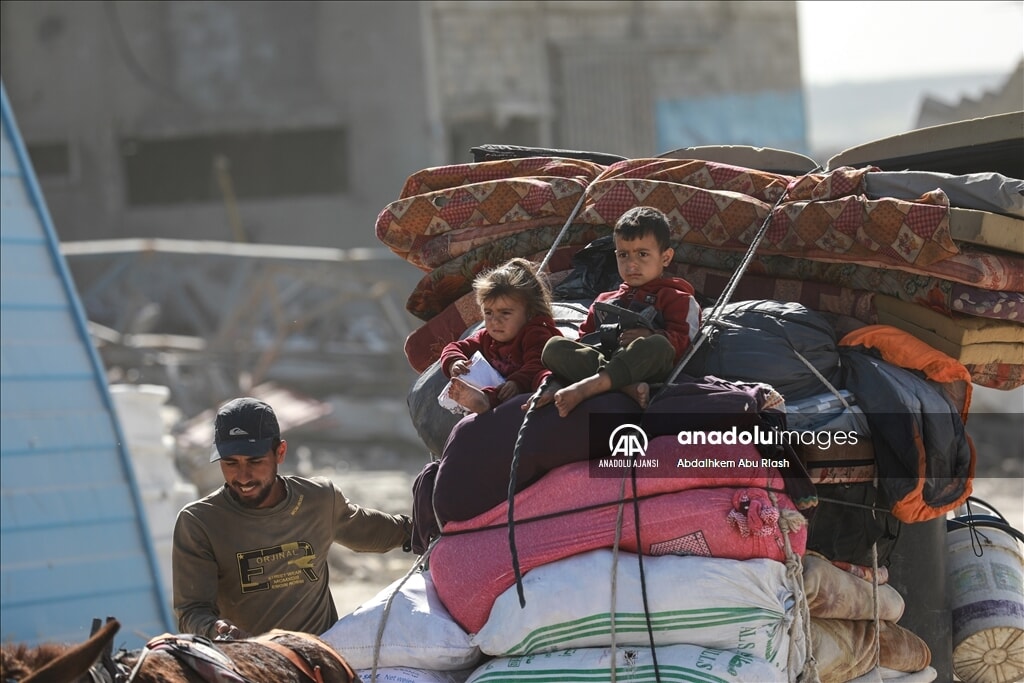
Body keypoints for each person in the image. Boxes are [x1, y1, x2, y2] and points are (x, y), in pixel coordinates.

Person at [173, 397, 412, 639]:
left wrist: (426, 529)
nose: (243, 477)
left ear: (280, 452)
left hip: (320, 662)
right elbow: (192, 611)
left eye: (255, 461)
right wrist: (215, 629)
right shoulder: (199, 522)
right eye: (230, 463)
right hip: (249, 666)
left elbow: (374, 531)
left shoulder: (318, 500)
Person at [530, 206, 700, 417]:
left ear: (665, 258)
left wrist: (652, 335)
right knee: (553, 347)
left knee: (658, 345)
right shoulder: (604, 299)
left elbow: (685, 343)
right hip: (606, 358)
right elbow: (584, 342)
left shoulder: (678, 298)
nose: (631, 264)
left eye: (642, 254)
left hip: (644, 365)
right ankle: (622, 386)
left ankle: (591, 385)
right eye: (623, 255)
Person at [439, 257, 562, 414]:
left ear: (530, 312)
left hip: (524, 387)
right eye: (488, 313)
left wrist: (517, 382)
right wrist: (454, 362)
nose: (495, 321)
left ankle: (485, 400)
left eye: (505, 313)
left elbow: (536, 363)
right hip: (500, 389)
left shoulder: (535, 333)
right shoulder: (486, 337)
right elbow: (454, 347)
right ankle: (482, 399)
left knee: (545, 375)